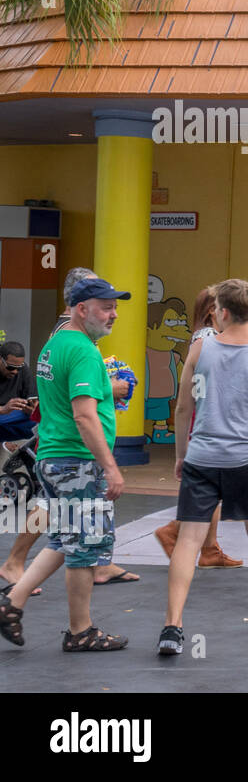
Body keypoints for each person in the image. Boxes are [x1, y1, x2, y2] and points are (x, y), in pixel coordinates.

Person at [158, 279, 248, 656]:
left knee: (188, 541)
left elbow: (182, 406)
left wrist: (180, 454)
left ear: (221, 311)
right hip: (246, 459)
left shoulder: (200, 348)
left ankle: (172, 627)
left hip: (202, 457)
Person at [0, 277, 132, 651]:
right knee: (86, 546)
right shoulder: (83, 351)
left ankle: (12, 602)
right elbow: (85, 416)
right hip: (78, 462)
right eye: (106, 307)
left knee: (64, 539)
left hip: (55, 457)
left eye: (115, 306)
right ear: (81, 309)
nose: (114, 314)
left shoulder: (55, 344)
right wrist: (110, 467)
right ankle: (80, 631)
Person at [153, 285, 242, 569]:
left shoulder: (202, 336)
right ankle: (177, 530)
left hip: (204, 419)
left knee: (213, 488)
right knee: (212, 488)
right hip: (206, 420)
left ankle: (209, 548)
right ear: (212, 311)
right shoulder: (210, 338)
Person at [0, 342, 38, 443]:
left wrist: (34, 409)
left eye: (19, 368)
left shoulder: (23, 369)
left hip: (15, 418)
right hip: (3, 416)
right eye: (11, 367)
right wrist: (3, 409)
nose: (15, 371)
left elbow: (33, 398)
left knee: (41, 422)